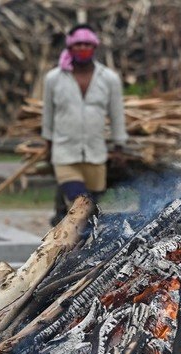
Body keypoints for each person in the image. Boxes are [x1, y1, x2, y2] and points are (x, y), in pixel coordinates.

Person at [42, 24, 128, 226]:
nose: (82, 48)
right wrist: (48, 144)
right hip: (64, 152)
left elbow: (117, 115)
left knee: (87, 214)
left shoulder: (109, 79)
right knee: (81, 201)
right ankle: (67, 237)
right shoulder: (54, 79)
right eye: (78, 45)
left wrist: (119, 147)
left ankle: (72, 242)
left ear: (95, 47)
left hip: (95, 154)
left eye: (87, 44)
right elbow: (48, 114)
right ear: (70, 48)